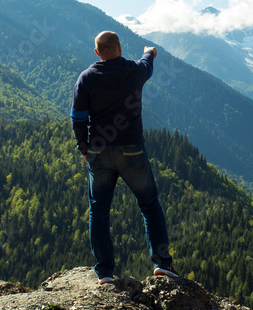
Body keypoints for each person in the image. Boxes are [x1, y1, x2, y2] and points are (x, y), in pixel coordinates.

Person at [70, 30, 178, 284]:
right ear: (119, 48)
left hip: (98, 152)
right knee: (149, 206)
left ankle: (105, 272)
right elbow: (147, 62)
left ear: (97, 52)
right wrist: (149, 50)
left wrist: (84, 148)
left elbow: (77, 119)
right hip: (131, 150)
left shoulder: (86, 78)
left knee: (99, 211)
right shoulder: (134, 71)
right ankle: (162, 264)